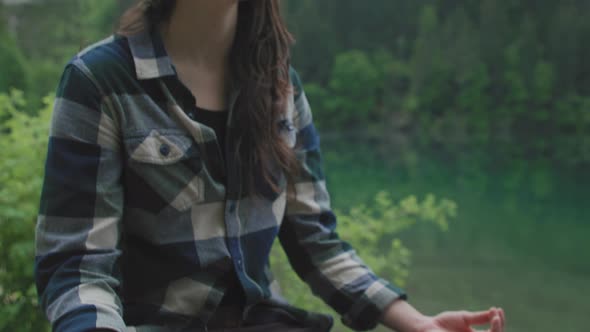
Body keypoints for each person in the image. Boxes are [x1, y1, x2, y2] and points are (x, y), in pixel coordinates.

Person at [34, 1, 506, 331]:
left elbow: (315, 239)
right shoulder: (98, 81)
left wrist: (417, 323)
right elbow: (77, 268)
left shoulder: (281, 87)